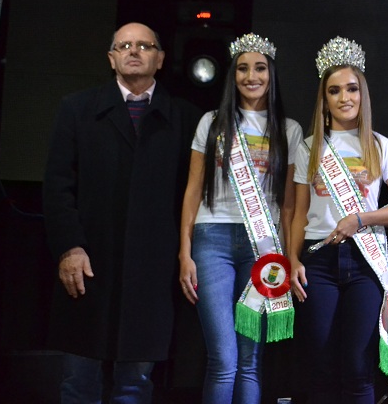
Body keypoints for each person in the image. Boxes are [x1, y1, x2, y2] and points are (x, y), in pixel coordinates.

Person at [43, 22, 202, 403]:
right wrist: (69, 248)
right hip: (88, 266)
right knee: (78, 384)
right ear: (111, 58)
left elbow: (194, 196)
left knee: (135, 387)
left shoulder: (186, 118)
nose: (134, 51)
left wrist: (184, 254)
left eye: (144, 45)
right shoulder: (77, 109)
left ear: (160, 59)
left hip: (152, 273)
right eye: (124, 45)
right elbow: (57, 187)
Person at [288, 36, 388, 404]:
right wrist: (293, 258)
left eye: (352, 89)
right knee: (321, 366)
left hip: (365, 261)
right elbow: (297, 212)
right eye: (335, 90)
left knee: (359, 367)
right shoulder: (309, 146)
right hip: (318, 261)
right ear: (324, 99)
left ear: (363, 94)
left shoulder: (380, 145)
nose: (345, 97)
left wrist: (360, 219)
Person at [178, 33, 302, 404]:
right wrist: (184, 252)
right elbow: (192, 191)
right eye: (243, 69)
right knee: (224, 358)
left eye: (260, 68)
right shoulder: (212, 123)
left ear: (271, 74)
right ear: (233, 76)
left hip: (262, 247)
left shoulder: (289, 130)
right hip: (212, 239)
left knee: (250, 361)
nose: (252, 76)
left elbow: (290, 206)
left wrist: (288, 258)